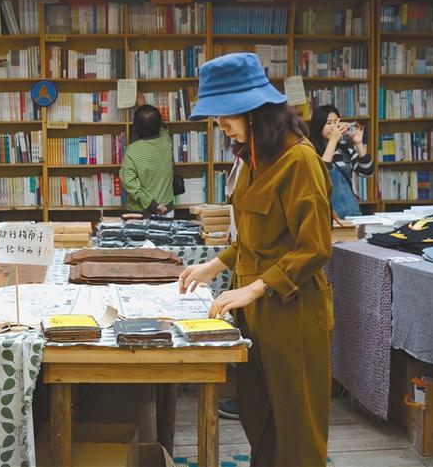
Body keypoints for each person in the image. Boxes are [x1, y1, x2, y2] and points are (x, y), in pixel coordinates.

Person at [179, 52, 333, 467]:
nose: (219, 124)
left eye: (225, 114)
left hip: (292, 312)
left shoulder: (300, 160)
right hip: (253, 310)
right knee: (259, 417)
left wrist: (256, 288)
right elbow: (253, 237)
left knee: (297, 427)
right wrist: (213, 266)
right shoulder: (251, 156)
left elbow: (315, 247)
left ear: (254, 110)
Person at [309, 104, 373, 218]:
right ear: (318, 125)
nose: (334, 127)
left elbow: (367, 172)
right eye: (329, 123)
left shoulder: (345, 150)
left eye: (336, 122)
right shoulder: (311, 151)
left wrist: (358, 143)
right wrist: (333, 140)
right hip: (328, 215)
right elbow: (321, 174)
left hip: (352, 211)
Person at [119, 96, 174, 217]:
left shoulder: (132, 150)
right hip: (167, 210)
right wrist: (143, 105)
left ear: (135, 128)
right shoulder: (166, 141)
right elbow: (162, 127)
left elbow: (129, 182)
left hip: (141, 214)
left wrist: (152, 204)